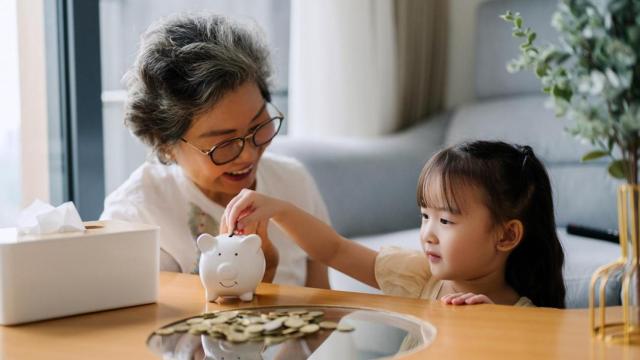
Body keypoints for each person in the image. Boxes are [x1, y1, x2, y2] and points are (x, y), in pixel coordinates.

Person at [100, 13, 331, 289]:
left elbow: (325, 312)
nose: (247, 156)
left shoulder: (294, 182)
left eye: (259, 125)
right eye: (223, 144)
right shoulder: (138, 215)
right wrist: (262, 275)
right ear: (166, 144)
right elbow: (146, 329)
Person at [222, 141, 566, 307]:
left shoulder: (524, 315)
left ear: (506, 235)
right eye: (425, 216)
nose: (428, 233)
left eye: (445, 220)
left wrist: (497, 332)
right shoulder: (419, 277)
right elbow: (334, 249)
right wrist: (279, 209)